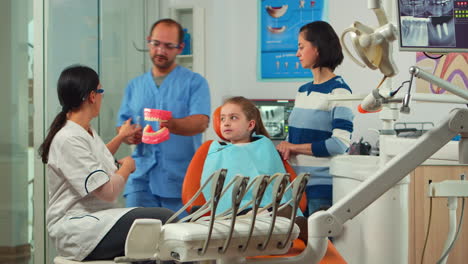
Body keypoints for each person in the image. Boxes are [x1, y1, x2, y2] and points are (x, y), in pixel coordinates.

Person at [39, 65, 175, 261]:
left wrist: (121, 137)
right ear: (93, 96)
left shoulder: (84, 131)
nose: (102, 98)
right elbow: (107, 191)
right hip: (77, 229)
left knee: (154, 238)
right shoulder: (68, 138)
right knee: (164, 220)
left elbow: (96, 159)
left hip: (95, 221)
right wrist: (127, 168)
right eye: (101, 91)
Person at [116, 18, 211, 213]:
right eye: (156, 44)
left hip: (180, 181)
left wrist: (171, 125)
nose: (160, 51)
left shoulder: (194, 83)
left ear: (180, 48)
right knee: (137, 239)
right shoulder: (135, 86)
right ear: (148, 41)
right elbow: (122, 124)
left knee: (179, 241)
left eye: (168, 46)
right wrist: (129, 134)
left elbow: (201, 122)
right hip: (140, 179)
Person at [276, 21, 354, 216]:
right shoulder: (303, 91)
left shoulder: (339, 92)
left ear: (317, 48)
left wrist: (293, 147)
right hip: (295, 187)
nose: (297, 53)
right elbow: (297, 138)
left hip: (321, 190)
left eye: (301, 47)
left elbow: (339, 144)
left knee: (320, 246)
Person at [200, 96, 293, 215]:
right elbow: (211, 187)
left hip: (268, 207)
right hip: (233, 211)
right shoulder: (217, 151)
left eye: (233, 118)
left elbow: (276, 186)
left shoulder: (264, 146)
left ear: (250, 125)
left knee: (284, 210)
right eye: (222, 119)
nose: (226, 123)